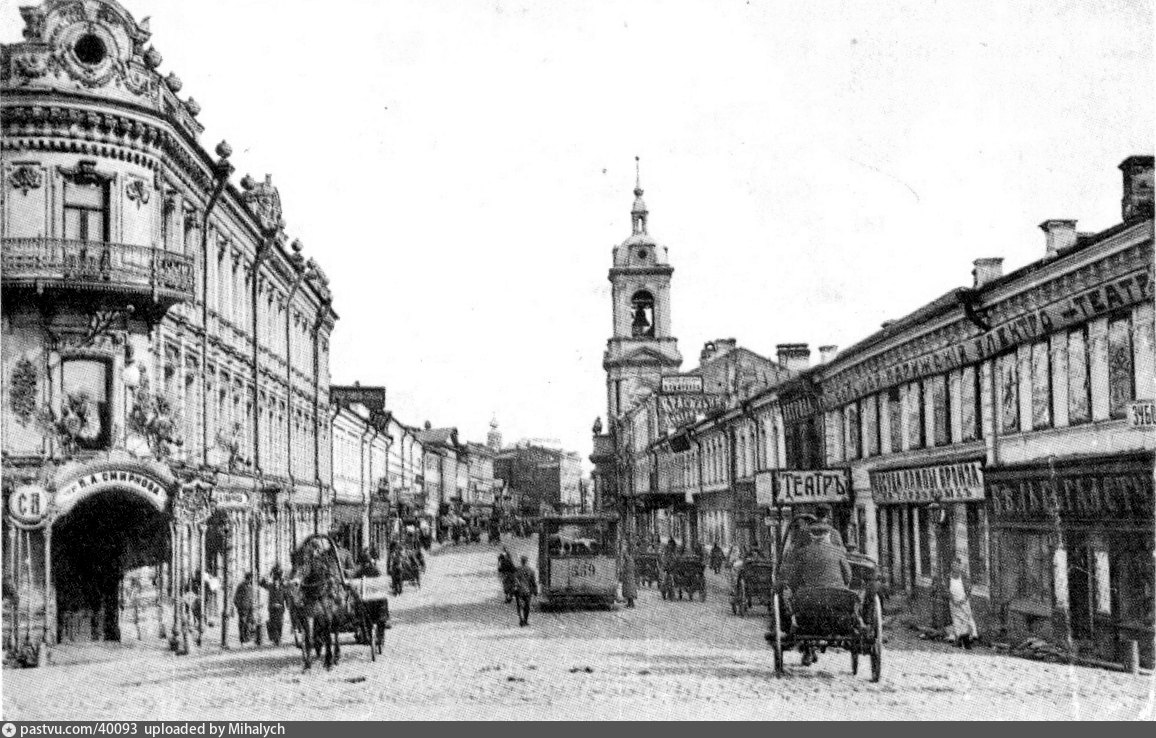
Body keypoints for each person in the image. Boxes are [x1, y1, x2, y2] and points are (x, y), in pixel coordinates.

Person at [779, 522, 852, 666]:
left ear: (811, 536)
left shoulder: (802, 552)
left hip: (808, 601)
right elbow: (848, 576)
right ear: (828, 536)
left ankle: (806, 647)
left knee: (790, 602)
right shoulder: (838, 551)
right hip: (837, 602)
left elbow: (794, 580)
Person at [948, 556, 978, 649]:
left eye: (957, 565)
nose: (955, 567)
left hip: (963, 601)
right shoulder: (948, 577)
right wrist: (953, 600)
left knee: (965, 620)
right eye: (953, 565)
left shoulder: (964, 576)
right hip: (953, 602)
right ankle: (958, 641)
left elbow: (969, 589)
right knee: (956, 621)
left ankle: (967, 641)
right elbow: (946, 589)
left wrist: (963, 600)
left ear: (960, 566)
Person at [262, 566, 286, 646]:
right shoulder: (270, 587)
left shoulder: (282, 588)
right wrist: (268, 575)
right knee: (274, 624)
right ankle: (277, 640)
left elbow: (286, 596)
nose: (276, 583)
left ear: (279, 582)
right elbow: (262, 583)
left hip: (280, 609)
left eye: (277, 582)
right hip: (272, 609)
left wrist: (287, 605)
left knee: (280, 624)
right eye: (275, 582)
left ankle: (279, 637)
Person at [513, 555, 538, 627]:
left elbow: (514, 579)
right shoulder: (531, 570)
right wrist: (535, 590)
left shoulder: (517, 569)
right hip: (528, 591)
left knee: (519, 605)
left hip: (519, 590)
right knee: (527, 606)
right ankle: (525, 621)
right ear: (526, 562)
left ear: (521, 561)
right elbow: (533, 582)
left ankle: (521, 620)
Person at [233, 573, 254, 644]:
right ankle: (242, 638)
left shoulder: (250, 587)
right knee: (242, 623)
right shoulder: (241, 586)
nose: (249, 580)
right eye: (248, 579)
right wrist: (239, 606)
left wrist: (252, 606)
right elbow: (236, 597)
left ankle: (246, 637)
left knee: (248, 623)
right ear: (246, 578)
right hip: (242, 608)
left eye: (250, 579)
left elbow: (251, 598)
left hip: (249, 608)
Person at [620, 543, 637, 608]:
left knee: (629, 591)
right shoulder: (630, 559)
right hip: (629, 577)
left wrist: (623, 571)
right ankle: (630, 603)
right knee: (629, 591)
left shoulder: (629, 560)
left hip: (628, 577)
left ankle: (631, 604)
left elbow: (628, 568)